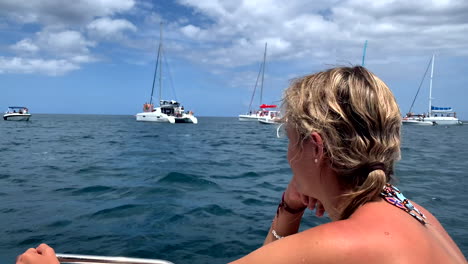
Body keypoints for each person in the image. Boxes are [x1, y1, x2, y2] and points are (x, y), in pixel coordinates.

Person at [16, 67, 467, 264]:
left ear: (314, 146)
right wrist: (291, 206)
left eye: (286, 138)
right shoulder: (414, 214)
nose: (285, 152)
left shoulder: (342, 245)